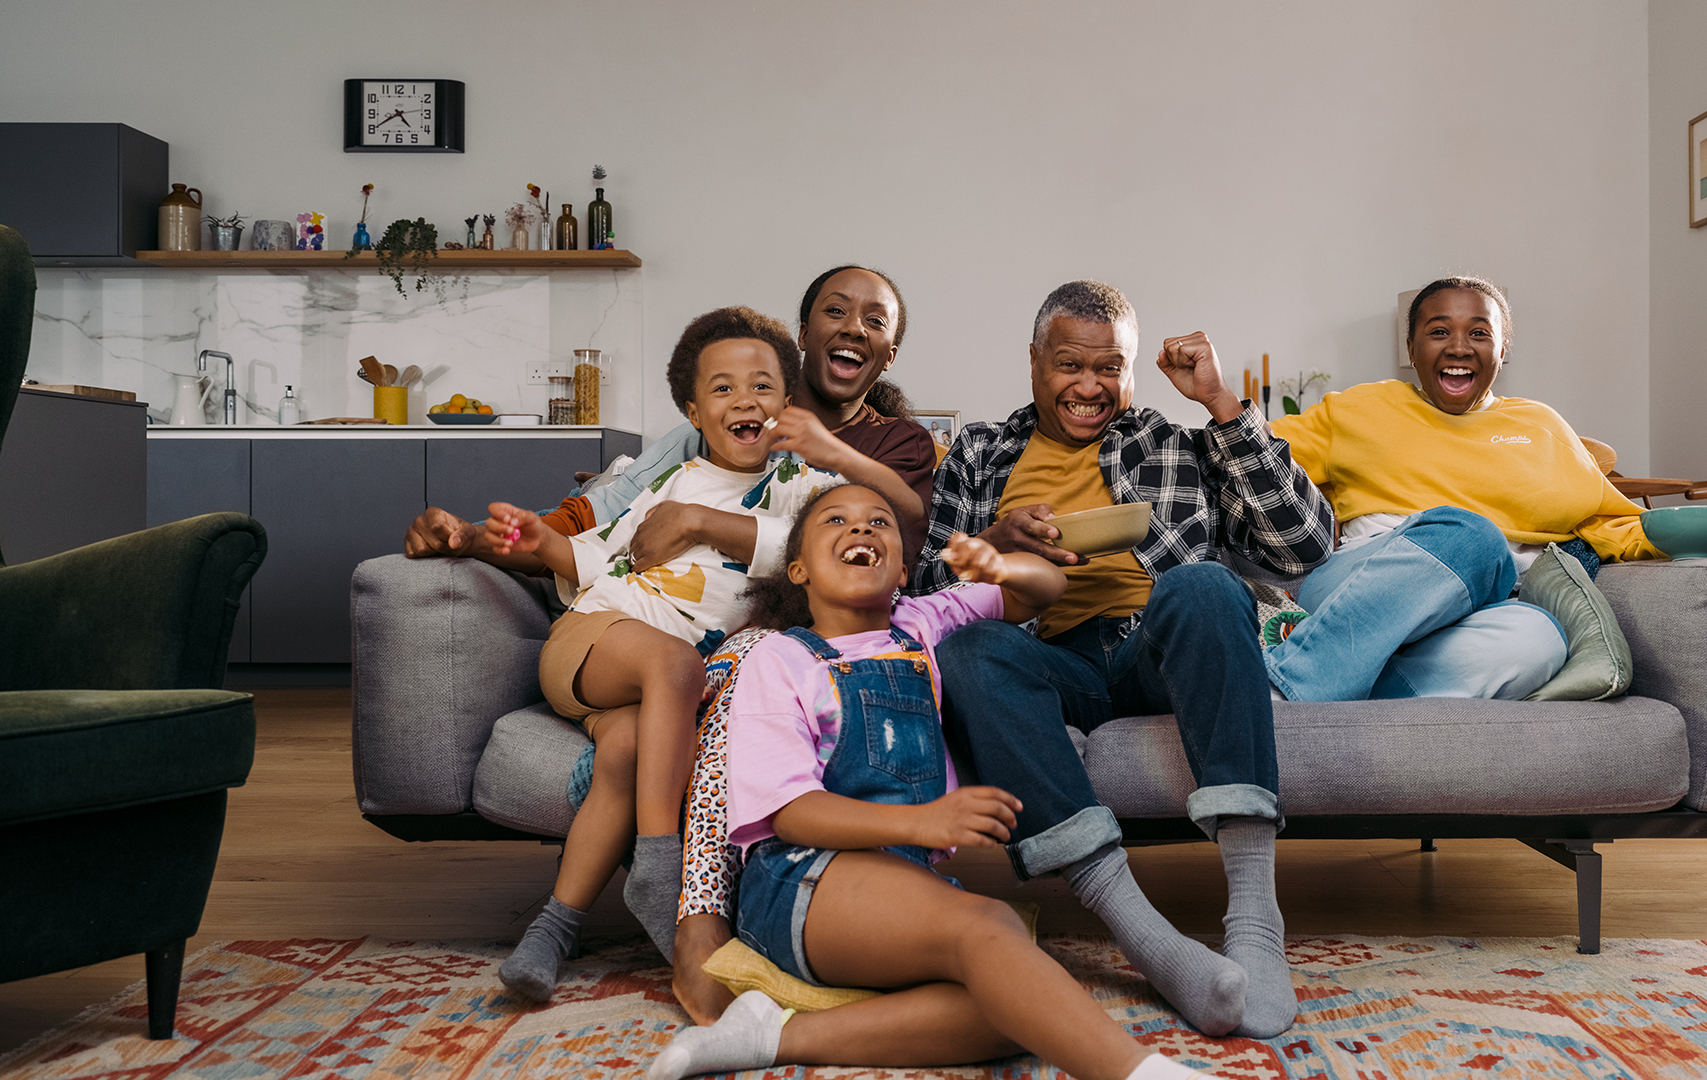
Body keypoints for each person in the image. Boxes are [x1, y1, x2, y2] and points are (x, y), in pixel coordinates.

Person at [647, 483, 1205, 1080]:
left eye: (879, 523)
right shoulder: (778, 659)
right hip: (800, 880)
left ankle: (772, 1038)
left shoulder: (923, 622)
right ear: (798, 570)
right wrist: (921, 821)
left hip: (897, 882)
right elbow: (791, 813)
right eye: (836, 520)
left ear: (905, 570)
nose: (861, 530)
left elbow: (1048, 587)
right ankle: (1144, 1072)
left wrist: (1000, 566)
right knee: (992, 931)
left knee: (1016, 997)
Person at [913, 280, 1334, 1039]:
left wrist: (1222, 405)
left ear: (1132, 369)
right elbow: (917, 603)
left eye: (1109, 367)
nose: (1088, 386)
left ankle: (1254, 913)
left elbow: (1302, 547)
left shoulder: (1173, 443)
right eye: (1069, 364)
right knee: (972, 649)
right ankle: (1146, 935)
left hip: (1154, 648)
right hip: (1045, 661)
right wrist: (992, 550)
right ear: (1034, 361)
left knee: (1205, 584)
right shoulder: (977, 452)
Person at [475, 306, 897, 1002]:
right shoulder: (676, 484)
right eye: (724, 389)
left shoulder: (805, 492)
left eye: (762, 386)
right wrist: (532, 540)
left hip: (654, 697)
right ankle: (660, 869)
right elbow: (588, 558)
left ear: (787, 405)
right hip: (595, 640)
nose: (745, 401)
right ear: (695, 413)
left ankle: (550, 929)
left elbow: (806, 551)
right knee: (676, 665)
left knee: (626, 756)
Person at [1260, 275, 1707, 702]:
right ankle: (1284, 689)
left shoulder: (1539, 424)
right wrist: (1217, 401)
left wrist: (1695, 539)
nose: (1458, 347)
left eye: (1479, 333)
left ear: (1502, 350)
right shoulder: (1358, 409)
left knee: (1539, 641)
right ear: (1410, 351)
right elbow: (1253, 457)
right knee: (1470, 535)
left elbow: (1612, 523)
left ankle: (1324, 684)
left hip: (1486, 602)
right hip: (1365, 577)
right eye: (1438, 332)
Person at [402, 265, 934, 565]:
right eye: (835, 311)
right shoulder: (719, 434)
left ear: (887, 355)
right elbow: (599, 516)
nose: (853, 329)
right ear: (802, 334)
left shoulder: (899, 445)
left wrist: (697, 520)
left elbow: (902, 551)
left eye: (875, 321)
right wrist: (468, 536)